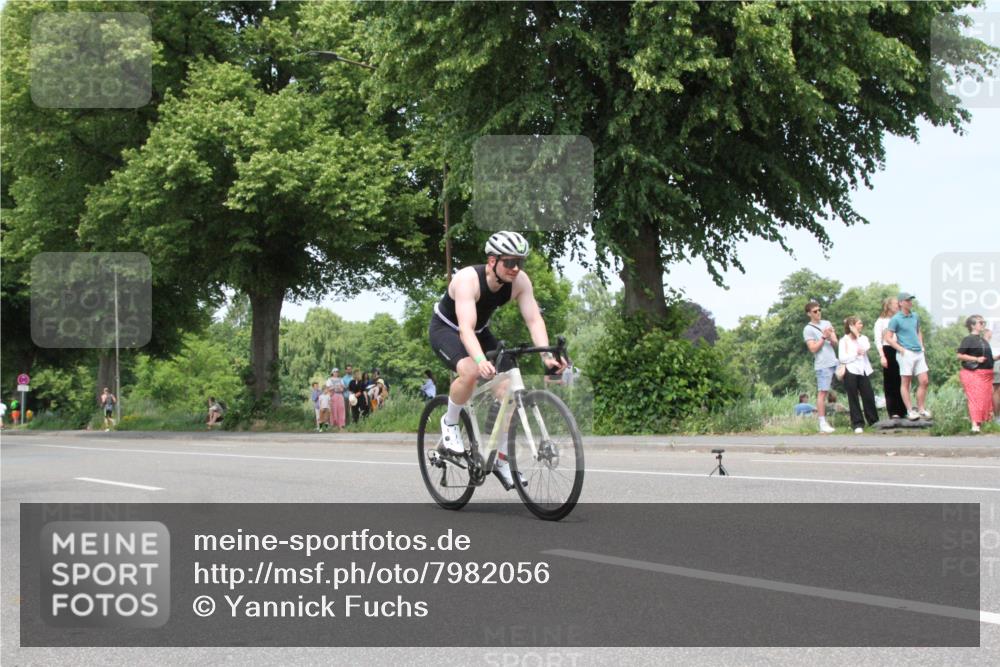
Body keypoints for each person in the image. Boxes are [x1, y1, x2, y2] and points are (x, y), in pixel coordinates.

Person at [428, 231, 565, 490]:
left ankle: (500, 458)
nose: (515, 269)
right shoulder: (468, 279)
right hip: (447, 330)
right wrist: (479, 360)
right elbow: (465, 329)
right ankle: (450, 422)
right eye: (509, 262)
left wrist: (547, 356)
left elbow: (534, 320)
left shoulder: (520, 282)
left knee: (509, 390)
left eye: (520, 263)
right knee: (469, 370)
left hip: (480, 332)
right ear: (492, 261)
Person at [886, 291, 931, 420]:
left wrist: (921, 346)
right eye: (907, 300)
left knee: (924, 381)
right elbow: (888, 338)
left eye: (911, 300)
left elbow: (918, 331)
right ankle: (910, 410)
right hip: (906, 353)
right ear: (901, 303)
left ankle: (921, 409)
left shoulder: (915, 316)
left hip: (918, 352)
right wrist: (900, 349)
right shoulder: (895, 319)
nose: (910, 302)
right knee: (906, 382)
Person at [957, 315, 999, 433]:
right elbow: (959, 355)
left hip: (986, 374)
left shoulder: (982, 340)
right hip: (974, 373)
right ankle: (974, 425)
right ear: (972, 325)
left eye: (983, 322)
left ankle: (983, 424)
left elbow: (987, 358)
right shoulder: (968, 339)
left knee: (985, 400)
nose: (983, 324)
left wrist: (995, 358)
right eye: (980, 322)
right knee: (976, 398)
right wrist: (976, 359)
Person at [838, 316, 880, 433]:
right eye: (859, 324)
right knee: (853, 397)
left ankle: (873, 420)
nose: (861, 326)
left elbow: (865, 347)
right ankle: (857, 423)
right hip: (850, 371)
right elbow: (842, 358)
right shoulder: (844, 340)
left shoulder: (863, 338)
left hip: (863, 370)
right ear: (852, 326)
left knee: (868, 395)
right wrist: (855, 354)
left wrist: (857, 335)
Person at [802, 301, 838, 433]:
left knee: (852, 382)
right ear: (809, 314)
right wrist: (823, 337)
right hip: (822, 364)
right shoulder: (808, 329)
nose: (818, 313)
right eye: (815, 311)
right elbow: (812, 348)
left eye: (819, 310)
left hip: (834, 360)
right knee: (823, 392)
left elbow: (835, 342)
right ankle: (822, 422)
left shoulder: (827, 323)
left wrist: (831, 336)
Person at [873, 296, 906, 419]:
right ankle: (893, 411)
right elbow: (878, 340)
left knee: (902, 380)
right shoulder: (881, 321)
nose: (898, 306)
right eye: (895, 304)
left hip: (901, 349)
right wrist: (882, 356)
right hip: (888, 350)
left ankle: (904, 409)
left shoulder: (900, 319)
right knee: (890, 381)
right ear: (888, 306)